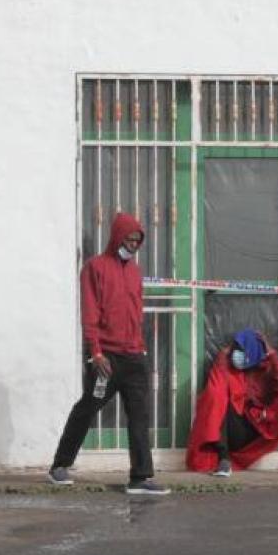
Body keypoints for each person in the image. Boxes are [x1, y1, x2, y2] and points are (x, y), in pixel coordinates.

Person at [49, 212, 169, 495]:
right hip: (106, 358)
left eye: (137, 241)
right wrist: (96, 353)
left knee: (139, 417)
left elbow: (136, 311)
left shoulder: (135, 271)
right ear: (117, 237)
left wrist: (141, 348)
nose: (133, 245)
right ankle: (59, 466)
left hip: (134, 357)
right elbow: (90, 312)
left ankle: (140, 478)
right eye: (129, 239)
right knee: (88, 408)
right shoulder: (95, 268)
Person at [186, 329, 278, 477]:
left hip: (260, 427)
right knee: (216, 395)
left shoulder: (266, 367)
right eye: (236, 349)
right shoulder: (226, 364)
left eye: (243, 350)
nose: (238, 354)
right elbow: (216, 387)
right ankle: (223, 459)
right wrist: (224, 357)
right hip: (234, 429)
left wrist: (272, 355)